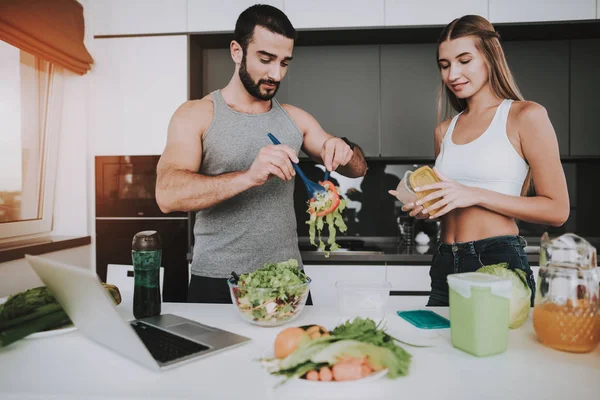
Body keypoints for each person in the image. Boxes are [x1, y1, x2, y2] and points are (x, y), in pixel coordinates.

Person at [155, 4, 367, 303]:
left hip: (287, 281)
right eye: (266, 59)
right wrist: (249, 177)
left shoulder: (296, 119)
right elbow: (167, 195)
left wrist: (343, 147)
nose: (275, 73)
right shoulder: (197, 114)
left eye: (284, 62)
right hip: (218, 281)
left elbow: (358, 169)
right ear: (236, 51)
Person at [390, 15, 569, 307]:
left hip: (496, 260)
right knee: (438, 352)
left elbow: (557, 210)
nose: (452, 74)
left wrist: (472, 194)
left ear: (489, 58)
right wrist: (426, 208)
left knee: (503, 353)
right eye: (445, 65)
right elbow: (451, 204)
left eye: (464, 60)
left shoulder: (525, 116)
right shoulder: (443, 130)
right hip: (446, 259)